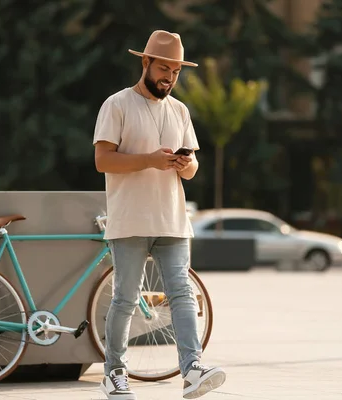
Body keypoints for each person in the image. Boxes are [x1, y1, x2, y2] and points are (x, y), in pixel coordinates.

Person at [92, 30, 226, 400]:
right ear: (145, 63)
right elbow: (103, 160)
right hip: (130, 219)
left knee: (182, 294)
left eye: (176, 72)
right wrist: (149, 160)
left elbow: (193, 168)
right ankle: (114, 373)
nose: (169, 77)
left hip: (172, 218)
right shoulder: (116, 105)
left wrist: (184, 164)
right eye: (164, 68)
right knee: (125, 298)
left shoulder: (180, 110)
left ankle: (193, 369)